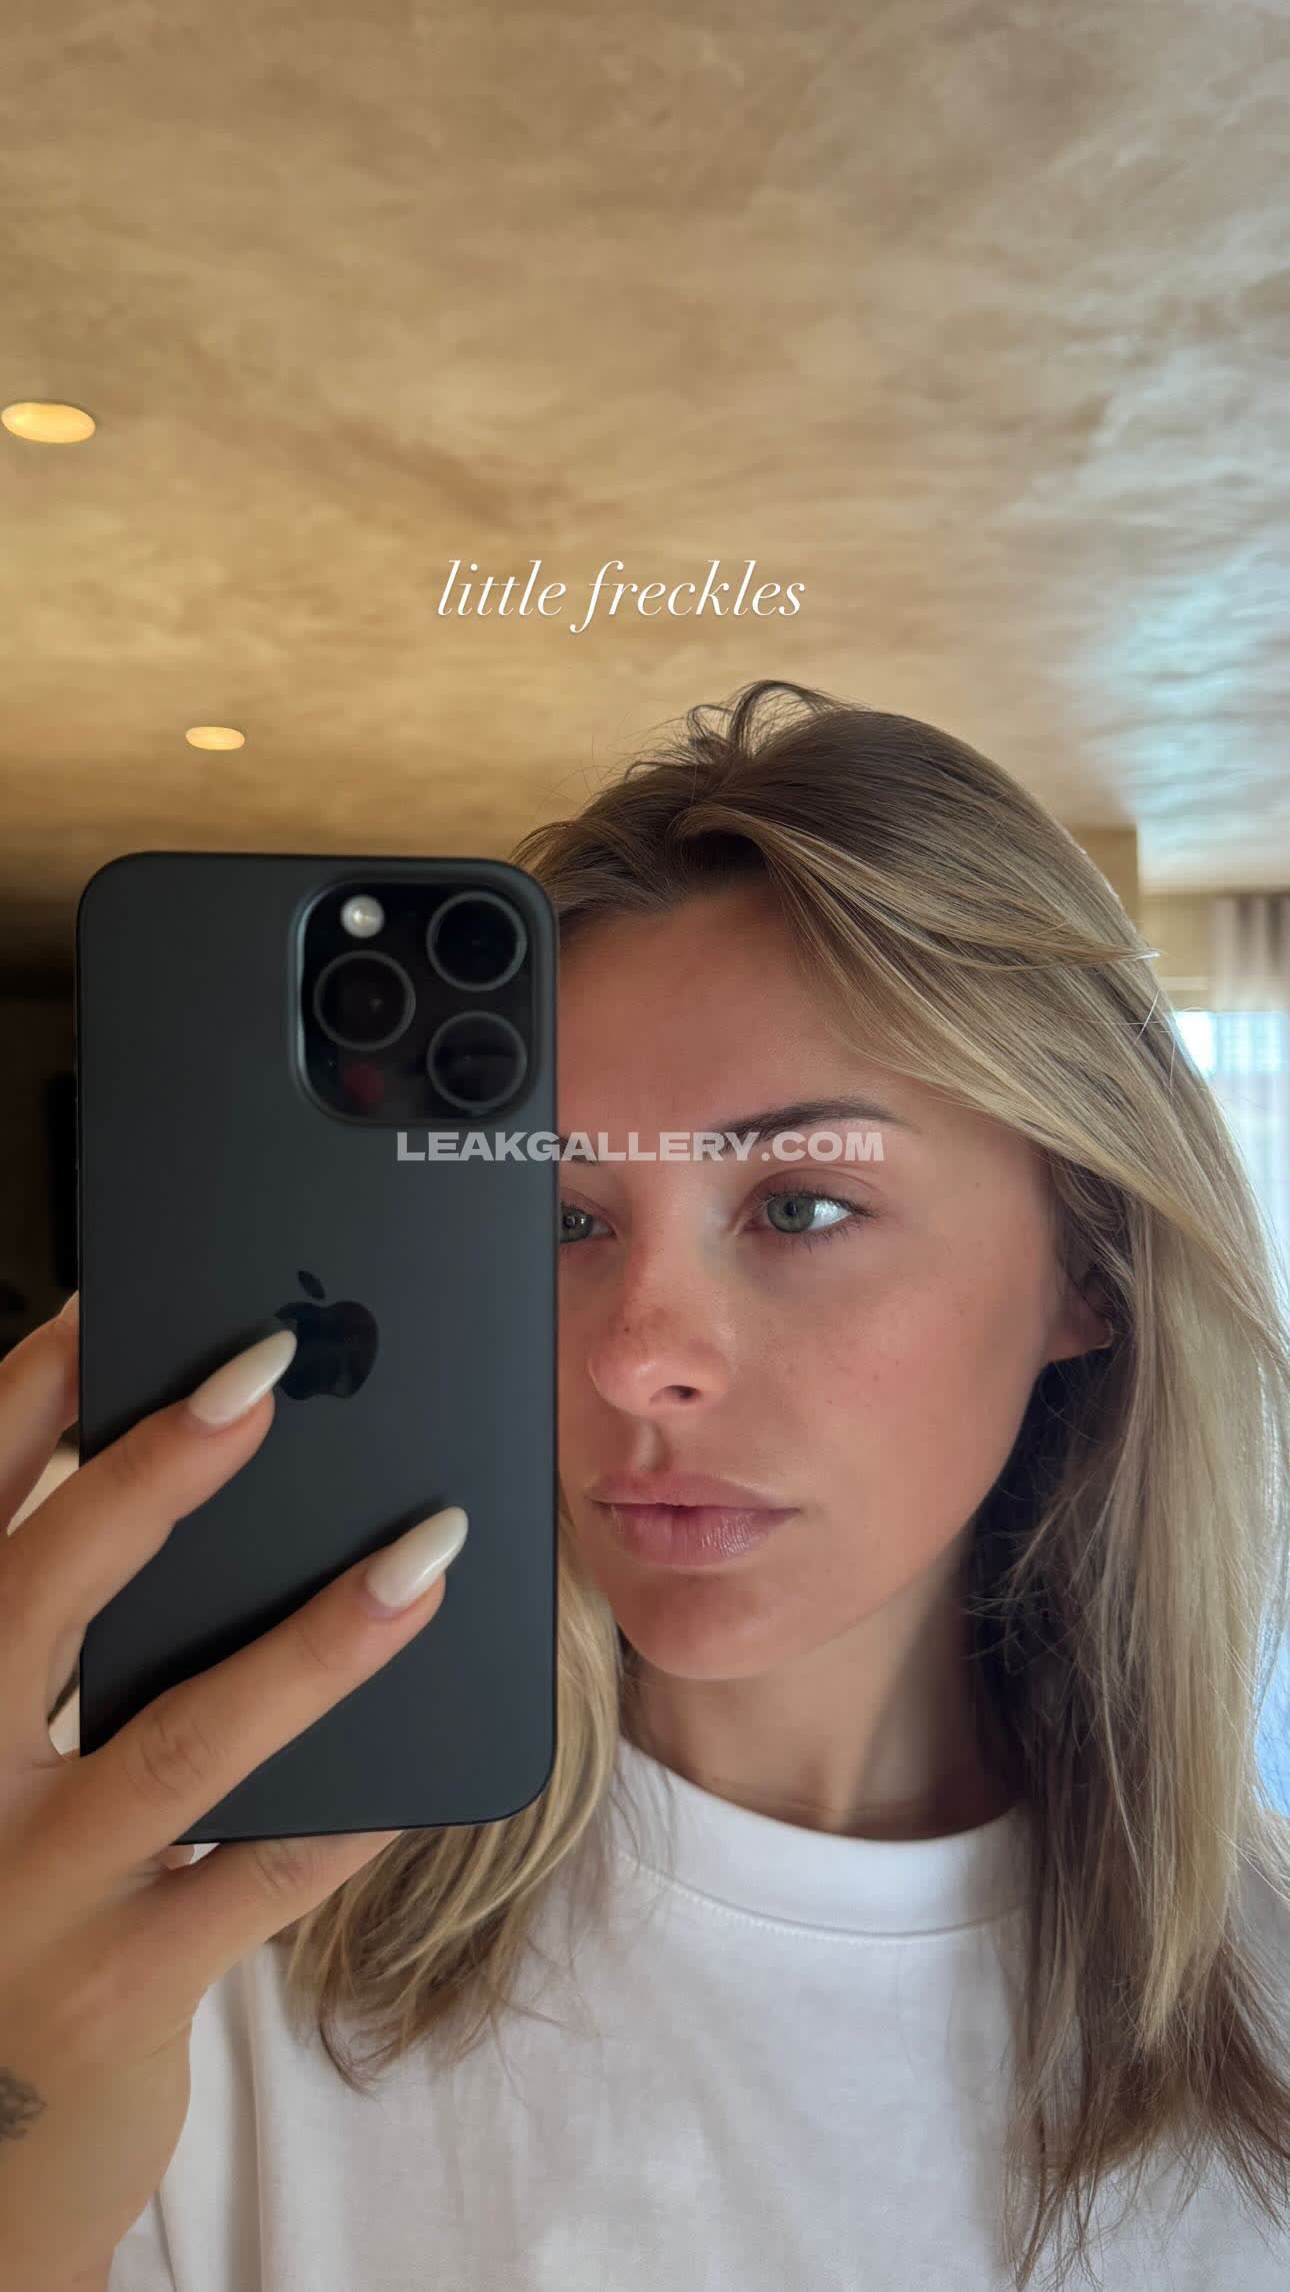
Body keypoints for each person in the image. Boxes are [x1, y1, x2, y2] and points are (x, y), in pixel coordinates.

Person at [2, 681, 1287, 2292]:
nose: (630, 1360)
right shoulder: (169, 1955)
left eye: (801, 1206)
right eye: (561, 1219)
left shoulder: (1263, 2018)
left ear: (1087, 1269)